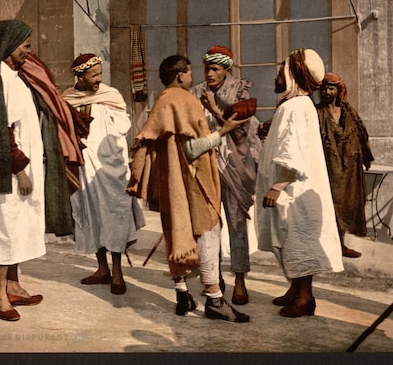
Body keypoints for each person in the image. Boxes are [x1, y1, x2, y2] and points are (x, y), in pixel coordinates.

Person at [0, 20, 82, 321]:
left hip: (21, 169)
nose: (29, 51)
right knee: (5, 228)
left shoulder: (15, 77)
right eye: (25, 46)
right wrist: (20, 170)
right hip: (10, 173)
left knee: (18, 227)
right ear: (9, 46)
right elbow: (0, 131)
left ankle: (13, 285)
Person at [127, 54, 250, 322]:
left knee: (176, 230)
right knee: (208, 231)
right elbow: (192, 148)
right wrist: (223, 130)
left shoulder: (162, 101)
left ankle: (182, 295)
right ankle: (215, 299)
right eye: (191, 73)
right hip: (192, 179)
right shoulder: (185, 100)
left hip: (171, 180)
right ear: (180, 75)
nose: (193, 77)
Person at [256, 48, 343, 318]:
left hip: (295, 189)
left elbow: (292, 152)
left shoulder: (295, 107)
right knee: (290, 238)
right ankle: (295, 289)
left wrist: (277, 186)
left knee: (296, 239)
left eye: (281, 69)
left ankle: (305, 298)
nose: (276, 75)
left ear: (293, 74)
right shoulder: (296, 105)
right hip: (296, 186)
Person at [62, 53, 145, 295]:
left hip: (111, 167)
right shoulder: (67, 99)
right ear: (79, 76)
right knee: (92, 213)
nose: (99, 79)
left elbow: (123, 128)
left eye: (100, 73)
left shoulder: (111, 96)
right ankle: (102, 269)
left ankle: (117, 271)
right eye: (93, 75)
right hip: (84, 166)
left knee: (115, 214)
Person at [191, 45, 262, 305]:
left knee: (235, 222)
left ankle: (240, 280)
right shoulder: (196, 91)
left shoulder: (241, 90)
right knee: (209, 224)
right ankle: (215, 276)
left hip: (235, 165)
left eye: (215, 69)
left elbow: (240, 132)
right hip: (207, 163)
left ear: (227, 70)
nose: (209, 73)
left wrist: (214, 107)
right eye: (206, 68)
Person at [316, 72, 374, 258]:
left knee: (348, 204)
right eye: (324, 88)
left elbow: (361, 132)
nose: (326, 92)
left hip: (350, 165)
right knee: (329, 204)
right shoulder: (317, 112)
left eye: (331, 88)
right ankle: (328, 246)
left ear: (339, 91)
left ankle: (341, 245)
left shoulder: (348, 111)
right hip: (328, 165)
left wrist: (367, 157)